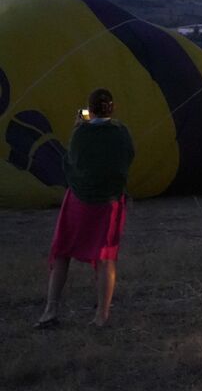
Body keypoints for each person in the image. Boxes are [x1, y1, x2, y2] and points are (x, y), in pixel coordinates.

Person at [37, 88, 135, 328]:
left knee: (62, 251)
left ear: (89, 109)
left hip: (79, 202)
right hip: (108, 203)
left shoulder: (80, 134)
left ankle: (50, 310)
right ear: (112, 108)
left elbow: (70, 163)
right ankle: (101, 315)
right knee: (105, 257)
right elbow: (128, 158)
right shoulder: (121, 133)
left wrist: (78, 127)